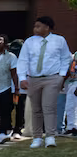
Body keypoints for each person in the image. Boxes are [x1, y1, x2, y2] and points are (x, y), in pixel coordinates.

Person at [15, 15, 73, 148]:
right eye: (35, 26)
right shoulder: (29, 42)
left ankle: (50, 137)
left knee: (49, 107)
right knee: (36, 109)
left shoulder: (59, 40)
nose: (35, 29)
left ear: (47, 27)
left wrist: (61, 76)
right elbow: (23, 60)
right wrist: (22, 78)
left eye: (38, 26)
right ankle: (37, 138)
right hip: (33, 79)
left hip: (52, 78)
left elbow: (66, 58)